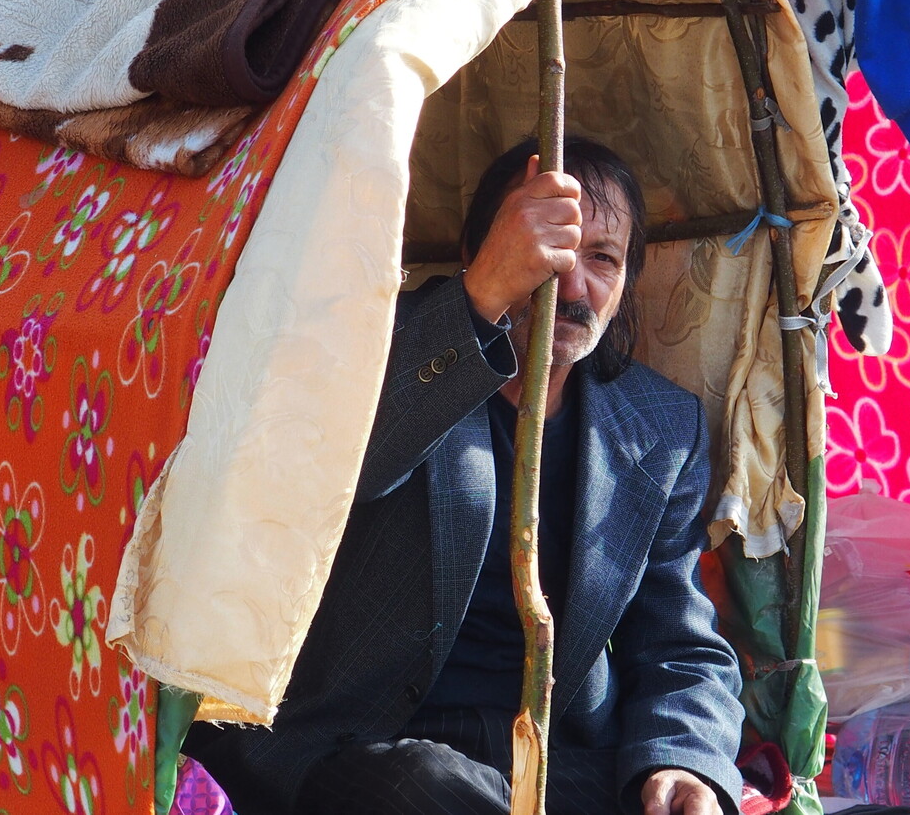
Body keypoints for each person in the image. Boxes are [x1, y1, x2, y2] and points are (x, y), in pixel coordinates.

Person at [184, 137, 744, 815]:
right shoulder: (374, 344)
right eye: (544, 246)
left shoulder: (661, 428)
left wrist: (682, 761)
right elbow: (341, 473)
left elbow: (679, 642)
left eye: (603, 259)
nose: (571, 283)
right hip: (368, 748)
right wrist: (482, 293)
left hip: (554, 761)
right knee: (421, 789)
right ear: (482, 249)